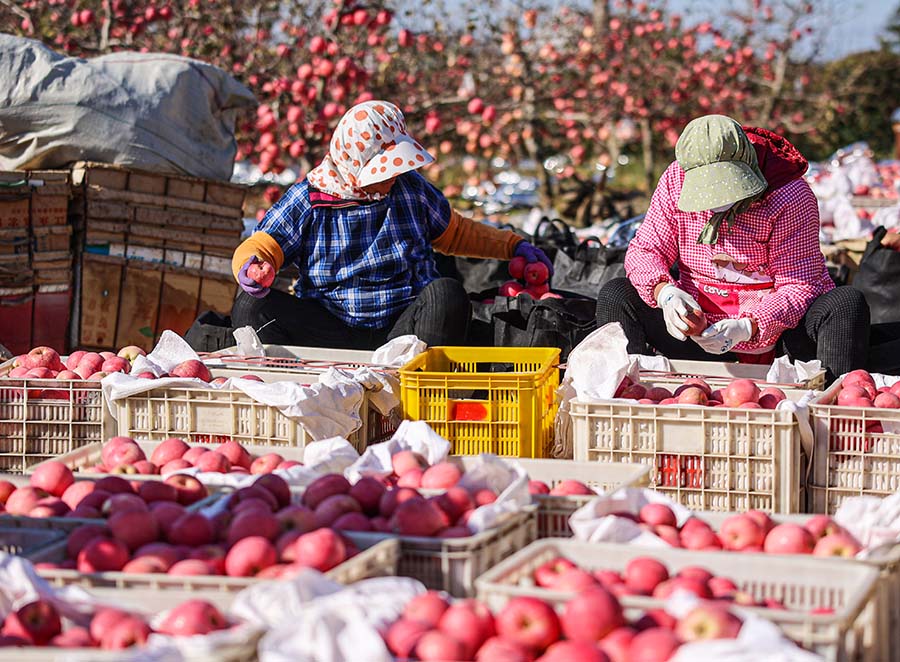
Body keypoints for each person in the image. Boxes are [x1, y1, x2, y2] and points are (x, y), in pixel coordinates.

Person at [231, 100, 552, 350]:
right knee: (251, 307)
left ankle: (421, 395)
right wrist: (253, 265)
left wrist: (512, 246)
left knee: (446, 294)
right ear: (352, 163)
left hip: (402, 328)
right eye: (381, 171)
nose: (390, 178)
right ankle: (292, 384)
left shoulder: (410, 190)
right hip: (329, 329)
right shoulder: (310, 200)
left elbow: (456, 234)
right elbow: (264, 243)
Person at [595, 114, 869, 383]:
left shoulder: (790, 195)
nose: (715, 201)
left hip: (780, 340)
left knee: (845, 305)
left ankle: (828, 408)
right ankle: (629, 397)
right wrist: (665, 292)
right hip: (700, 331)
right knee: (616, 294)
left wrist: (749, 326)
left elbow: (799, 285)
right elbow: (645, 250)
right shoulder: (674, 180)